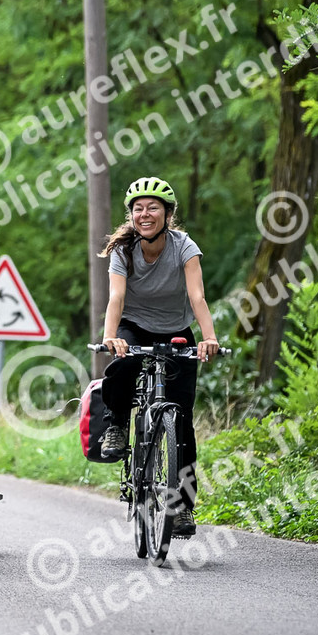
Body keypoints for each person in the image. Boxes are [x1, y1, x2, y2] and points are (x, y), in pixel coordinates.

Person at [97, 176, 220, 538]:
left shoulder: (184, 246)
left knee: (182, 422)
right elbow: (117, 298)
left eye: (153, 208)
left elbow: (197, 297)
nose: (145, 214)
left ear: (168, 214)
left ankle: (182, 509)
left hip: (176, 329)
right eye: (138, 208)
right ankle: (117, 423)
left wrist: (209, 337)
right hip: (134, 325)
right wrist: (110, 336)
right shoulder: (123, 250)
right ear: (131, 215)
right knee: (123, 363)